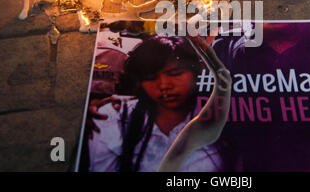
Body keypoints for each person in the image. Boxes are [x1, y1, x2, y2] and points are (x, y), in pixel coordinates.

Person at [87, 35, 227, 172]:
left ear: (196, 71)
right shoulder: (114, 117)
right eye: (150, 78)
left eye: (175, 73)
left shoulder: (219, 114)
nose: (164, 85)